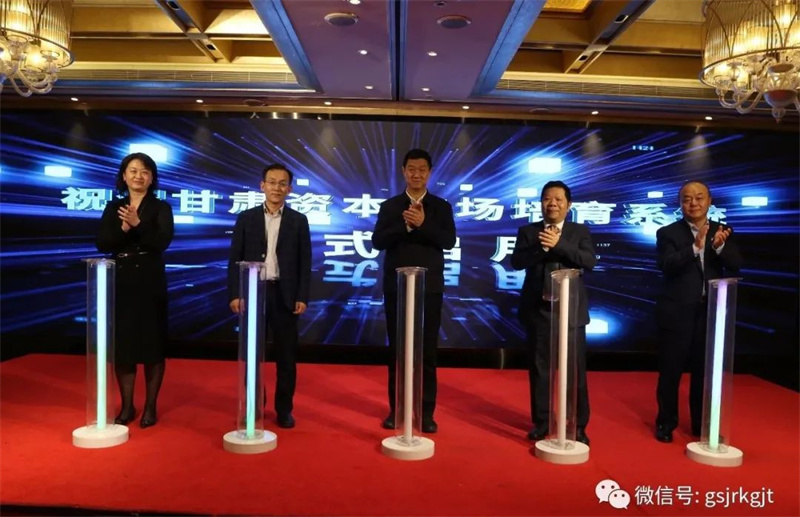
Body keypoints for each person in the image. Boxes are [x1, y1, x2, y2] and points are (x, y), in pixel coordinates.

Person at [372, 148, 456, 433]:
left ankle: (425, 412)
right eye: (411, 169)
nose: (416, 174)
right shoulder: (390, 206)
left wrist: (423, 224)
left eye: (422, 169)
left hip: (429, 289)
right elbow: (377, 241)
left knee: (427, 352)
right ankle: (396, 410)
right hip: (396, 288)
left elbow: (448, 241)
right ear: (403, 171)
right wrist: (406, 227)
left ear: (429, 172)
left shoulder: (441, 207)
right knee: (397, 351)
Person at [654, 181, 742, 443]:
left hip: (710, 313)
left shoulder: (722, 231)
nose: (693, 203)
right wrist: (695, 247)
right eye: (687, 199)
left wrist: (718, 248)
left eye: (699, 198)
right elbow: (666, 264)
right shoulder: (667, 233)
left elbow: (736, 265)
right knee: (671, 371)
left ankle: (701, 425)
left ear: (709, 201)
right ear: (680, 203)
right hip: (676, 312)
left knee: (705, 373)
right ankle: (666, 423)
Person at [510, 180, 596, 445]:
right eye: (547, 199)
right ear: (541, 203)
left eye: (558, 199)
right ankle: (542, 422)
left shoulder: (579, 231)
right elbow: (516, 262)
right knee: (540, 370)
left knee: (575, 373)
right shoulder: (528, 231)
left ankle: (577, 425)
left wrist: (559, 244)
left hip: (571, 313)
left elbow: (589, 261)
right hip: (539, 311)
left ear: (568, 204)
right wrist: (542, 247)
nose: (552, 204)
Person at [227, 163, 311, 429]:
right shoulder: (246, 218)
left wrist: (302, 296)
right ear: (262, 186)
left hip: (285, 295)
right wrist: (236, 293)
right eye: (272, 182)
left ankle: (284, 409)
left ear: (290, 189)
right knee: (252, 355)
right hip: (253, 291)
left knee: (286, 357)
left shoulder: (298, 220)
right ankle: (254, 406)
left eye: (282, 183)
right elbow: (234, 258)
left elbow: (305, 262)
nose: (277, 188)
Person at [97, 152, 174, 428]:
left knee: (153, 344)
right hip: (122, 280)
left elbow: (162, 242)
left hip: (151, 280)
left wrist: (138, 225)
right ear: (124, 176)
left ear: (152, 178)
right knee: (124, 346)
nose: (138, 176)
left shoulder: (161, 207)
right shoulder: (113, 207)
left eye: (144, 171)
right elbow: (103, 243)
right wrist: (123, 227)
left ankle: (150, 407)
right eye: (133, 171)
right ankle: (127, 406)